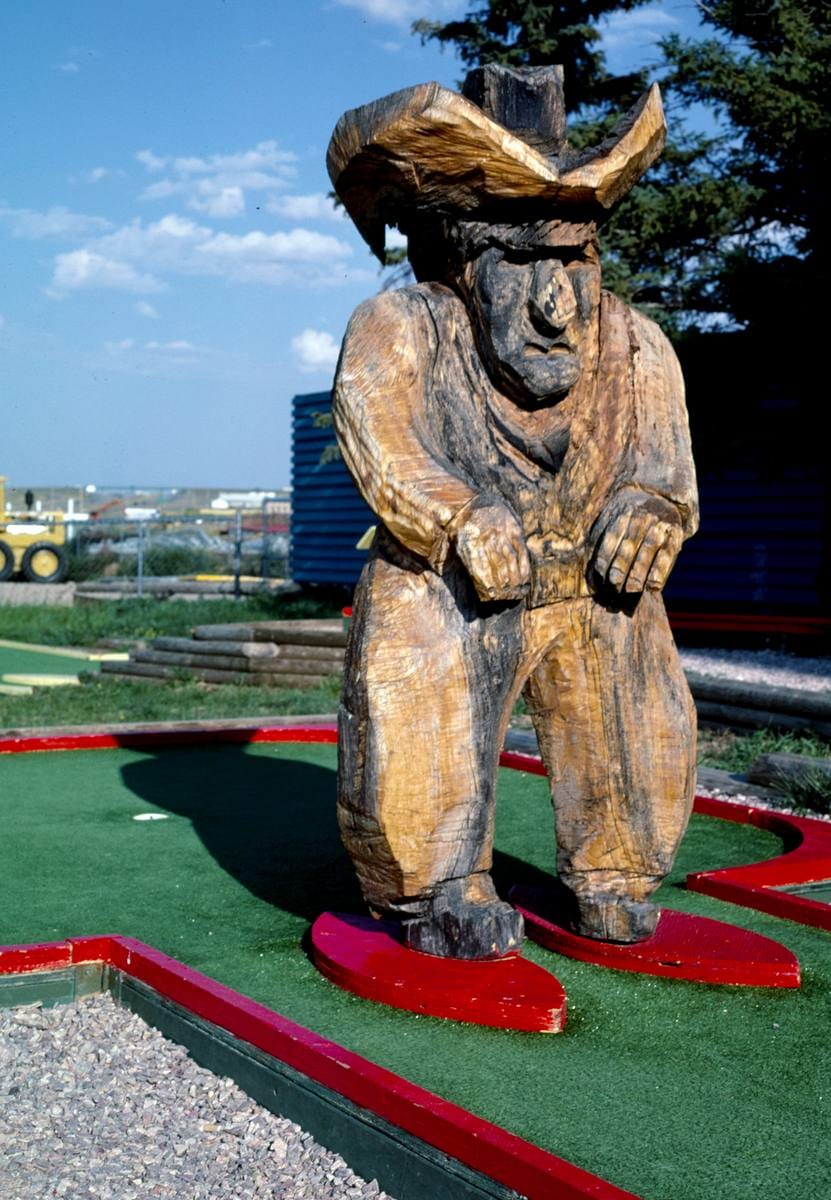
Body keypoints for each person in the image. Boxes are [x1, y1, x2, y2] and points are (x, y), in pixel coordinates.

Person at [328, 66, 698, 959]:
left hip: (582, 591)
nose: (554, 301)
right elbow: (379, 438)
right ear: (455, 262)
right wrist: (455, 518)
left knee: (626, 633)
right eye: (521, 263)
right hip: (463, 586)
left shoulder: (638, 345)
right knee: (420, 623)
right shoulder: (403, 325)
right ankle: (437, 881)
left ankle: (613, 865)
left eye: (572, 260)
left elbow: (667, 469)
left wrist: (653, 509)